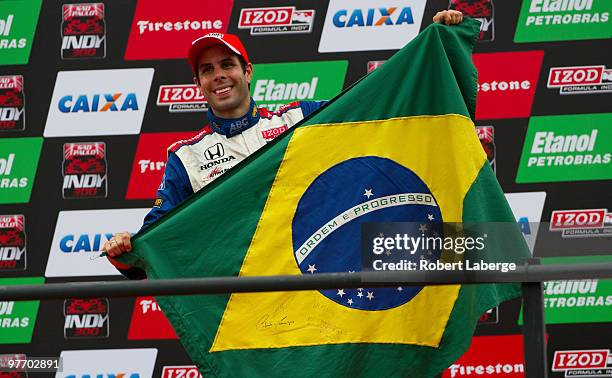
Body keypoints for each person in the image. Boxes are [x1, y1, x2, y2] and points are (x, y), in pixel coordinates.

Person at [102, 10, 464, 278]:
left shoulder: (298, 119)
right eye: (206, 70)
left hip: (320, 274)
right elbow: (158, 237)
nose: (218, 76)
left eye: (226, 64)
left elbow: (375, 105)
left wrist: (435, 45)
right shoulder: (186, 157)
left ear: (247, 72)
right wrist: (124, 247)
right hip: (247, 294)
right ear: (199, 83)